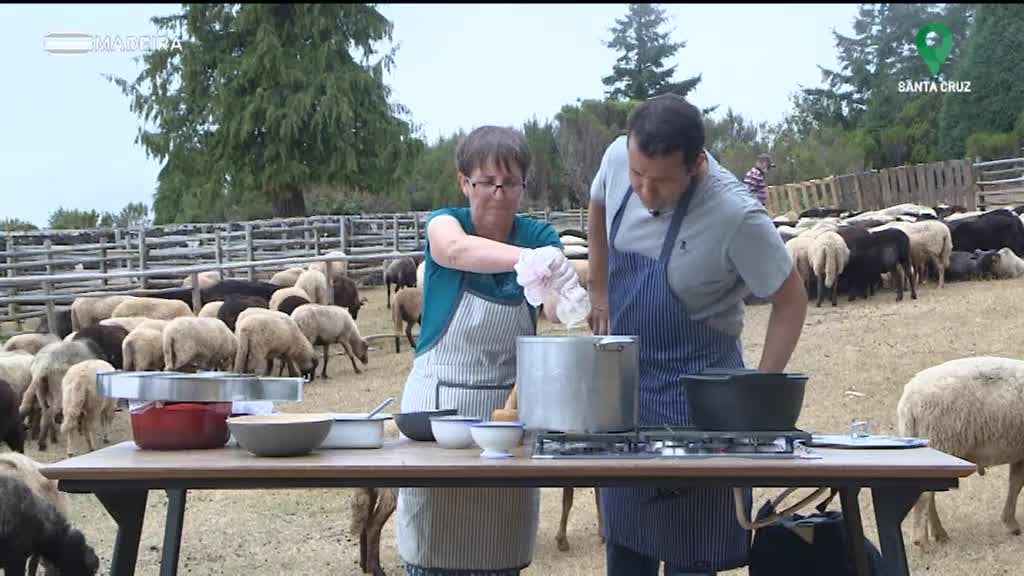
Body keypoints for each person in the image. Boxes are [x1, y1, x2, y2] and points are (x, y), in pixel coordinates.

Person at [586, 95, 808, 576]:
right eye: (637, 174)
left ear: (697, 165)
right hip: (625, 394)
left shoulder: (736, 217)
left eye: (661, 181)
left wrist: (759, 395)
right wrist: (599, 290)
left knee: (693, 554)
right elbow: (599, 205)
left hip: (702, 403)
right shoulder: (615, 157)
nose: (644, 190)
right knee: (625, 547)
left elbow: (791, 300)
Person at [396, 125, 581, 576]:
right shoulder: (447, 222)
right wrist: (527, 261)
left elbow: (552, 308)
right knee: (431, 547)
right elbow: (455, 251)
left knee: (498, 550)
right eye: (486, 182)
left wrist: (569, 297)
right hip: (438, 413)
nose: (498, 194)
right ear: (464, 181)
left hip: (508, 415)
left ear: (523, 185)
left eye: (511, 183)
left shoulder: (539, 235)